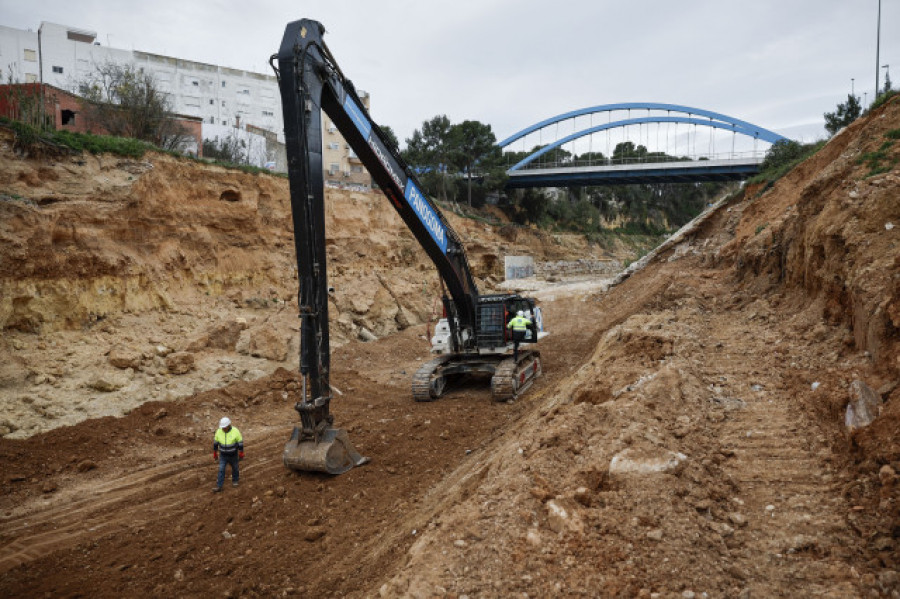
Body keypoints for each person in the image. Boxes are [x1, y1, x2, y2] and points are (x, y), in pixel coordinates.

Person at [213, 416, 244, 493]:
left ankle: (235, 480)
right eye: (222, 427)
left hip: (233, 454)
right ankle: (219, 486)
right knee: (221, 469)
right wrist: (215, 452)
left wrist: (241, 452)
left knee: (235, 468)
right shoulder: (219, 431)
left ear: (228, 425)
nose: (223, 428)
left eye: (224, 427)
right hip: (223, 455)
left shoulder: (235, 431)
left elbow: (240, 442)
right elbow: (215, 442)